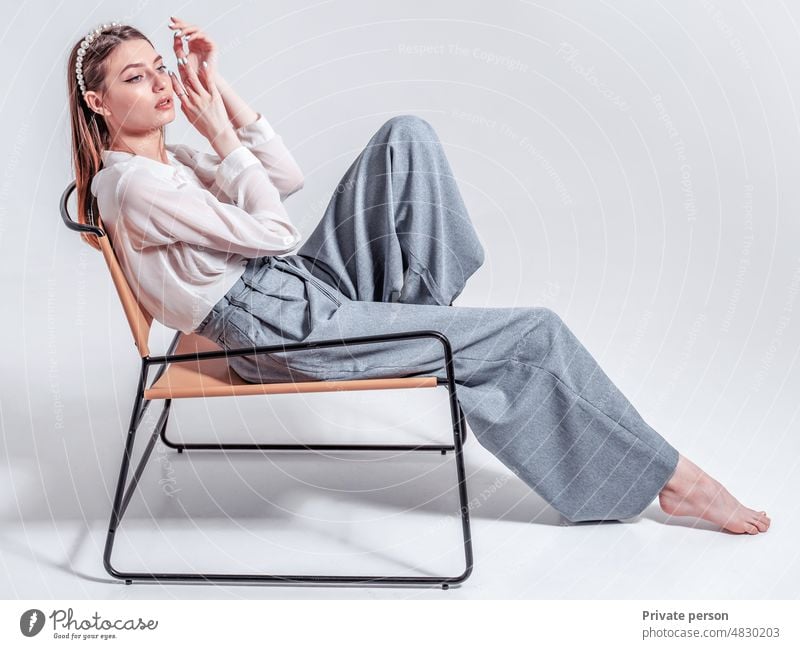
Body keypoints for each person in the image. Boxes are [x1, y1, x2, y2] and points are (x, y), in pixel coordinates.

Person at [68, 18, 771, 534]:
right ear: (99, 103)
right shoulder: (134, 188)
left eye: (160, 67)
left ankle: (425, 335)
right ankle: (677, 479)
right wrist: (223, 137)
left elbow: (284, 178)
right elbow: (276, 230)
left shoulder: (171, 164)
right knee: (535, 334)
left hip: (298, 291)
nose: (160, 84)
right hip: (277, 328)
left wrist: (219, 92)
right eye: (136, 78)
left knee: (407, 136)